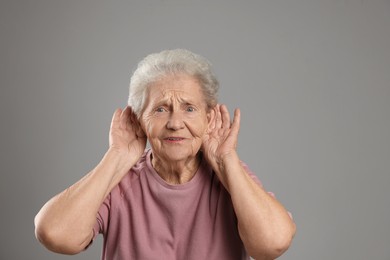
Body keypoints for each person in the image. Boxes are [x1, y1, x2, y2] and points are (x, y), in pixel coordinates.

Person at [34, 49, 296, 260]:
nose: (175, 123)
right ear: (139, 120)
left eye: (189, 108)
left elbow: (272, 245)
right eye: (160, 109)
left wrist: (227, 160)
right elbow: (55, 234)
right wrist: (117, 157)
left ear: (210, 117)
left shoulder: (231, 178)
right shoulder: (119, 182)